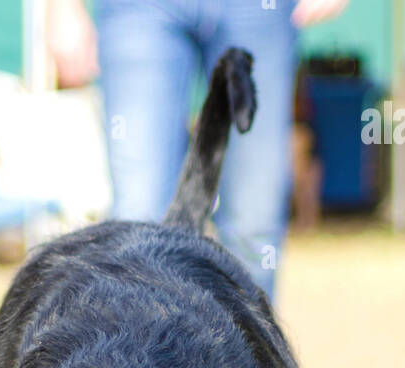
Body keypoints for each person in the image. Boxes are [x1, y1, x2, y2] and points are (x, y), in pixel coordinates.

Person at [47, 0, 350, 299]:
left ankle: (245, 344)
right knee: (138, 218)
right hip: (139, 8)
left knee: (254, 223)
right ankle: (146, 343)